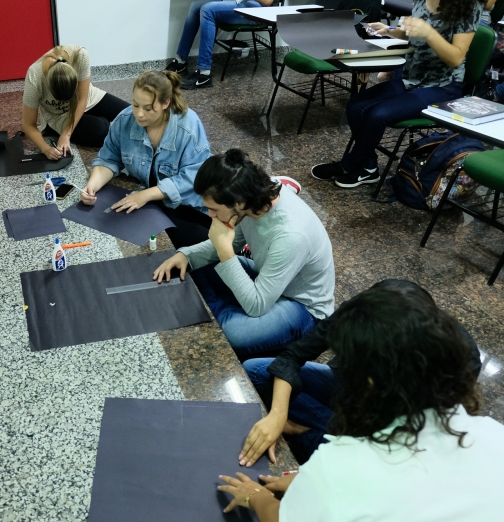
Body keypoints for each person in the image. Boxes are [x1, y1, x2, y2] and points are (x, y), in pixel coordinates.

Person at [215, 281, 502, 521]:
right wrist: (278, 415)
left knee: (318, 445)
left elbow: (283, 517)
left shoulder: (343, 466)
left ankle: (309, 433)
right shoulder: (493, 433)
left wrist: (256, 496)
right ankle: (310, 432)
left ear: (368, 380)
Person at [238, 279, 482, 466]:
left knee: (339, 454)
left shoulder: (461, 360)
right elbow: (293, 355)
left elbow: (413, 438)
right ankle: (317, 432)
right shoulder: (364, 312)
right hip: (352, 389)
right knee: (256, 370)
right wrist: (277, 415)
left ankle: (307, 432)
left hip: (391, 422)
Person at [152, 150, 334, 358]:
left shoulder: (291, 235)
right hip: (265, 277)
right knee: (194, 263)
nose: (210, 215)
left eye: (214, 209)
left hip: (303, 307)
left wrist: (224, 251)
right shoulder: (253, 198)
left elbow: (257, 305)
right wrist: (186, 255)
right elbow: (233, 241)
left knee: (233, 335)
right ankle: (224, 312)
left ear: (239, 202)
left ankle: (222, 315)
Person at [311, 0, 487, 188]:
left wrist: (429, 32)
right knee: (355, 106)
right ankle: (368, 167)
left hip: (444, 86)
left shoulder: (469, 2)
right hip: (412, 77)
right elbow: (414, 32)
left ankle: (350, 164)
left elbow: (456, 57)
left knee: (377, 114)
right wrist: (388, 30)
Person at [81, 70, 213, 248]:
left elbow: (194, 178)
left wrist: (146, 195)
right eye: (135, 105)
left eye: (148, 108)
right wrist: (92, 185)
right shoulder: (124, 120)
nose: (139, 114)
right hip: (153, 202)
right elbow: (108, 158)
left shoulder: (188, 126)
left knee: (189, 250)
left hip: (188, 208)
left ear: (166, 103)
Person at [22, 45, 129, 157]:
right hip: (59, 114)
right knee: (102, 131)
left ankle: (93, 121)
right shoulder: (34, 76)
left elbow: (82, 98)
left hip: (88, 98)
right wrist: (46, 149)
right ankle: (52, 128)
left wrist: (66, 134)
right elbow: (28, 124)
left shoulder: (80, 55)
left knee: (131, 114)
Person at [165, 0, 279, 90]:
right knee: (196, 6)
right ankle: (180, 62)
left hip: (258, 9)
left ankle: (204, 73)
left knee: (207, 10)